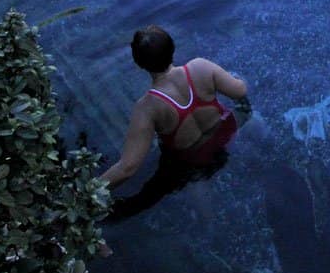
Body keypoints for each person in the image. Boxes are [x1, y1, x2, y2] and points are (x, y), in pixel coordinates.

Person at [102, 26, 250, 219]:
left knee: (207, 215)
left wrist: (86, 193)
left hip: (195, 162)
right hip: (228, 132)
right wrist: (240, 79)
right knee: (254, 120)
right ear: (172, 48)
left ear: (139, 64)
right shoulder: (201, 67)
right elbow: (240, 91)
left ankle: (211, 225)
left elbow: (128, 168)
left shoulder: (147, 107)